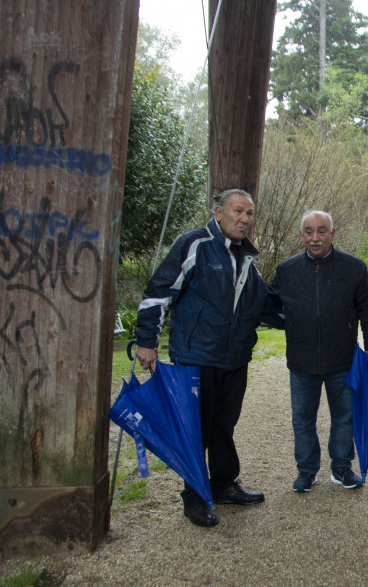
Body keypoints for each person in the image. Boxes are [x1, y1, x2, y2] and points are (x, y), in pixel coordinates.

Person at [134, 189, 267, 528]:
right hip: (197, 357)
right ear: (219, 212)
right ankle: (194, 497)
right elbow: (160, 290)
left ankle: (223, 484)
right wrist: (146, 340)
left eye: (249, 214)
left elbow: (263, 305)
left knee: (224, 425)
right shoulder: (195, 244)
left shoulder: (247, 258)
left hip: (234, 359)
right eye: (238, 211)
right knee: (196, 430)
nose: (244, 219)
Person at [263, 210, 368, 492]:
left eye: (321, 231)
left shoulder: (353, 268)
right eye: (309, 231)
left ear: (332, 233)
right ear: (301, 234)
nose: (315, 238)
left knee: (344, 417)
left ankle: (341, 468)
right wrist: (287, 323)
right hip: (302, 362)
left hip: (342, 359)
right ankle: (306, 470)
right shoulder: (287, 270)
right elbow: (267, 304)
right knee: (303, 420)